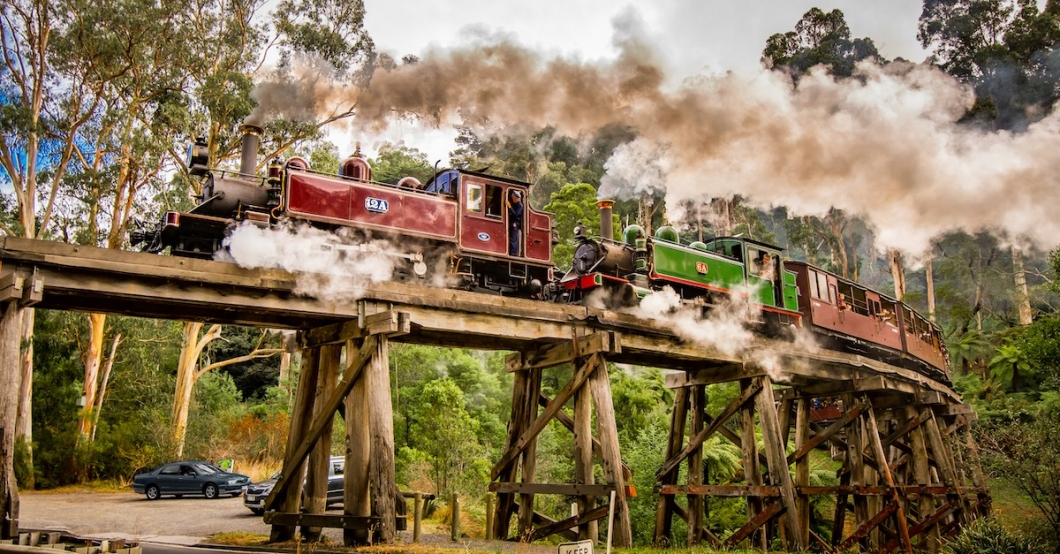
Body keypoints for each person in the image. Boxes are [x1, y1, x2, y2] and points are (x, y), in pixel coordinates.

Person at [507, 189, 524, 256]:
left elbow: (516, 214)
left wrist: (510, 207)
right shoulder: (514, 203)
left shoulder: (520, 206)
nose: (513, 199)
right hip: (512, 221)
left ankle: (513, 254)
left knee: (513, 239)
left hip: (516, 223)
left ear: (517, 198)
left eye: (514, 198)